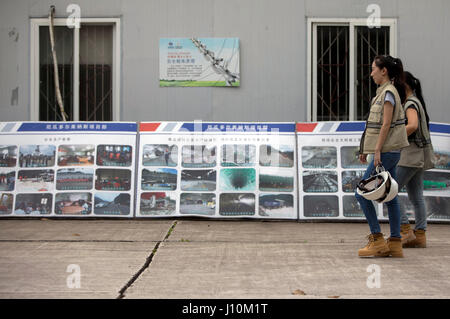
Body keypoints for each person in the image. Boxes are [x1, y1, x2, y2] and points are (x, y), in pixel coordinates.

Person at [356, 55, 409, 258]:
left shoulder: (388, 93)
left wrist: (376, 151)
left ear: (383, 71)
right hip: (390, 151)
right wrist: (367, 149)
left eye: (373, 69)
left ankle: (377, 239)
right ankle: (395, 242)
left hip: (386, 151)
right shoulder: (384, 93)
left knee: (361, 193)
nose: (371, 73)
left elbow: (386, 124)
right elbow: (376, 125)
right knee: (391, 196)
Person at [396, 71, 435, 248]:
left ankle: (406, 231)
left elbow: (412, 125)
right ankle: (420, 234)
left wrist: (393, 135)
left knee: (390, 192)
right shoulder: (416, 102)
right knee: (416, 196)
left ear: (405, 86)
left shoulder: (410, 103)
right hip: (417, 156)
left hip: (409, 157)